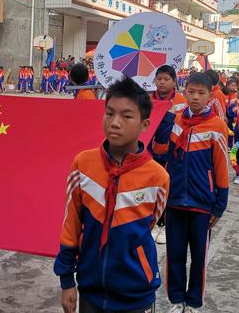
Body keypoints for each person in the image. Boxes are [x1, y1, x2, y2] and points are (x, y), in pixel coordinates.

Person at [54, 78, 169, 313]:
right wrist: (67, 280)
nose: (115, 123)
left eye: (127, 116)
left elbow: (150, 223)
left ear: (145, 124)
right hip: (90, 289)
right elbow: (71, 224)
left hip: (136, 293)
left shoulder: (158, 177)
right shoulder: (82, 164)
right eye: (109, 113)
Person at [152, 73, 229, 312]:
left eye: (201, 93)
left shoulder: (217, 126)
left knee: (198, 259)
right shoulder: (176, 120)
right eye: (191, 92)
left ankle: (193, 303)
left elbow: (221, 167)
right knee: (174, 255)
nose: (195, 97)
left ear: (209, 95)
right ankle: (176, 301)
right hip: (174, 201)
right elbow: (164, 154)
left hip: (202, 203)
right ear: (184, 91)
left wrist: (220, 204)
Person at [149, 65, 186, 245]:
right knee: (150, 187)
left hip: (172, 152)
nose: (162, 82)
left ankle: (164, 223)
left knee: (168, 187)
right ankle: (151, 222)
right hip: (150, 151)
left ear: (173, 82)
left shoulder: (181, 101)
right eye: (159, 78)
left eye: (166, 79)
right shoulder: (148, 99)